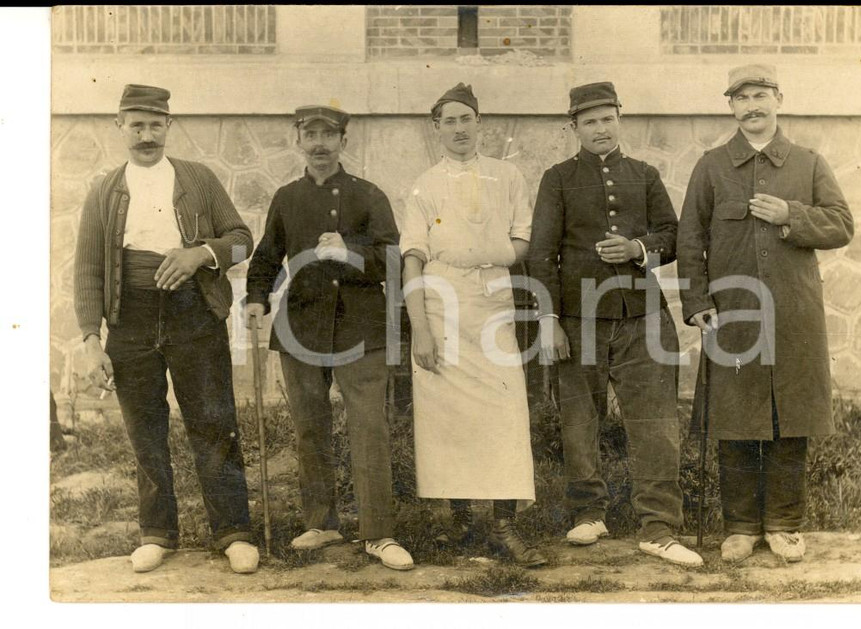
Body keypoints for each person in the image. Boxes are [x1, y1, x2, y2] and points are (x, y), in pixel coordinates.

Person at [74, 84, 259, 574]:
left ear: (169, 127)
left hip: (193, 313)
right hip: (128, 318)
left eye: (156, 124)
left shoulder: (197, 179)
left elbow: (243, 241)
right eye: (136, 124)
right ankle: (157, 533)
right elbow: (88, 269)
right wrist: (92, 340)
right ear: (119, 127)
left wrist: (200, 253)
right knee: (144, 430)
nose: (147, 134)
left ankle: (233, 532)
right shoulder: (104, 190)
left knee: (214, 422)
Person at [677, 64, 853, 563]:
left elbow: (842, 225)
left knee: (788, 418)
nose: (751, 105)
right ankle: (739, 527)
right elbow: (690, 240)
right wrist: (696, 304)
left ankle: (783, 524)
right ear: (731, 106)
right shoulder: (710, 167)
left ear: (778, 98)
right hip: (732, 316)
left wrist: (791, 216)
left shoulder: (809, 163)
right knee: (733, 419)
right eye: (741, 97)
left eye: (760, 95)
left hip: (794, 315)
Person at [527, 82, 703, 568]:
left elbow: (674, 235)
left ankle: (659, 526)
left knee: (656, 423)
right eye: (589, 122)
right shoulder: (557, 179)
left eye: (607, 119)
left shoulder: (644, 175)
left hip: (643, 318)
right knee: (580, 421)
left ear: (619, 119)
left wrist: (637, 249)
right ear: (574, 128)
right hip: (579, 319)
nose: (600, 129)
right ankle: (588, 513)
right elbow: (541, 254)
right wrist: (548, 320)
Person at [245, 104, 413, 571]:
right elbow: (266, 256)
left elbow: (394, 261)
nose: (319, 143)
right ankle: (321, 521)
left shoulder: (368, 194)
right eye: (310, 134)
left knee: (369, 428)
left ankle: (378, 532)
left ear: (344, 140)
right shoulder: (286, 197)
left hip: (361, 327)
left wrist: (350, 252)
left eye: (329, 134)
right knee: (309, 426)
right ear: (297, 139)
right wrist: (256, 297)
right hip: (300, 327)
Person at [399, 83, 545, 567]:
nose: (459, 129)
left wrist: (488, 254)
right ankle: (457, 523)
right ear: (435, 128)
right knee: (448, 420)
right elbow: (412, 261)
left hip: (492, 304)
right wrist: (419, 328)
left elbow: (522, 240)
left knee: (505, 411)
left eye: (467, 119)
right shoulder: (423, 185)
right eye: (449, 121)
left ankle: (504, 525)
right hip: (442, 308)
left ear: (480, 124)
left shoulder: (507, 176)